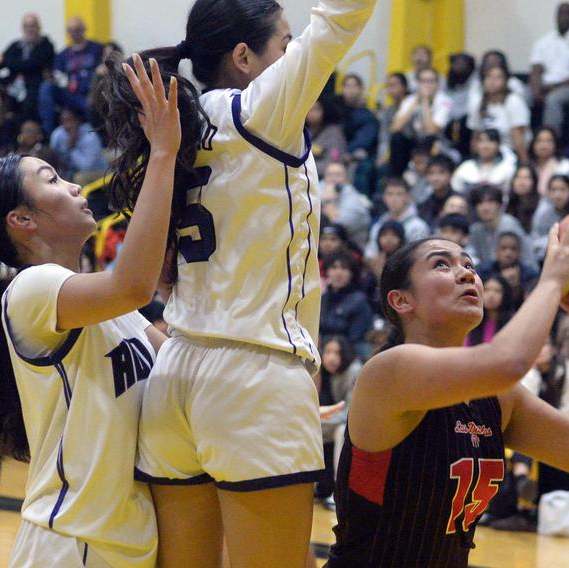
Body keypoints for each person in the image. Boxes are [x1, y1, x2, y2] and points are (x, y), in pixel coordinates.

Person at [99, 2, 377, 566]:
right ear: (244, 57)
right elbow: (341, 20)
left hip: (174, 373)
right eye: (284, 43)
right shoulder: (262, 108)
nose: (291, 54)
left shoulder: (179, 120)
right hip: (254, 374)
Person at [0, 51, 182, 565]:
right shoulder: (31, 290)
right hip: (69, 544)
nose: (76, 185)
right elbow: (134, 283)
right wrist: (162, 152)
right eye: (52, 180)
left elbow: (179, 362)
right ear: (23, 220)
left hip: (128, 544)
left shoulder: (105, 307)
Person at [326, 216, 569, 566]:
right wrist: (552, 280)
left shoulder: (499, 398)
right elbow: (509, 362)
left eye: (469, 264)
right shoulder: (388, 372)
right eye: (442, 264)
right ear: (401, 301)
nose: (467, 273)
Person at [529, 2, 569, 139]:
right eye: (561, 13)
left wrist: (556, 86)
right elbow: (535, 69)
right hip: (545, 85)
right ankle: (526, 141)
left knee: (553, 100)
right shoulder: (544, 41)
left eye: (568, 13)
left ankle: (550, 142)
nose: (564, 17)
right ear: (556, 16)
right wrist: (535, 90)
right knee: (520, 97)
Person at [0, 13, 56, 121]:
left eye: (32, 26)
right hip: (13, 84)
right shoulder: (16, 46)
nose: (29, 30)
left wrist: (5, 61)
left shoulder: (46, 46)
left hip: (33, 86)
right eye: (26, 26)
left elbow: (29, 65)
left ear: (39, 27)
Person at [316, 334, 362, 510]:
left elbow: (350, 413)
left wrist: (318, 420)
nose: (331, 357)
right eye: (327, 352)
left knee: (341, 430)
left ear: (345, 354)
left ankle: (338, 490)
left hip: (355, 426)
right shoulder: (322, 373)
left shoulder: (355, 371)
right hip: (331, 423)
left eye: (336, 352)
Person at [39, 16, 104, 133]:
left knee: (90, 104)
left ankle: (98, 135)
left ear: (84, 29)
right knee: (46, 87)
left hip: (91, 93)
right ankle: (47, 132)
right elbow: (57, 76)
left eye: (78, 29)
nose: (75, 33)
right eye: (71, 30)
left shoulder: (97, 49)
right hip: (70, 94)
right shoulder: (62, 55)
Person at [389, 67, 453, 176]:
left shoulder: (444, 101)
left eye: (431, 81)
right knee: (397, 138)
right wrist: (415, 103)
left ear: (437, 84)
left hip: (437, 145)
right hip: (413, 142)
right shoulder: (410, 100)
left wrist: (425, 101)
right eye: (423, 81)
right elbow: (395, 127)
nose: (427, 85)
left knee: (428, 139)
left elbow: (431, 131)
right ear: (417, 83)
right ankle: (396, 178)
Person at [466, 64, 530, 161]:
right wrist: (474, 160)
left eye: (498, 77)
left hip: (509, 152)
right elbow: (476, 135)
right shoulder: (478, 102)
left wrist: (524, 162)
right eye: (489, 77)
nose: (492, 81)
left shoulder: (513, 101)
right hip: (485, 153)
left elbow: (518, 136)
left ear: (506, 81)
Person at [468, 184, 534, 269]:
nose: (485, 207)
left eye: (490, 202)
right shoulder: (476, 230)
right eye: (480, 203)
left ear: (499, 205)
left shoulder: (509, 225)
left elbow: (526, 261)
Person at [365, 176, 429, 261]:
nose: (394, 199)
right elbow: (369, 255)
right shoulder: (378, 225)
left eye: (399, 194)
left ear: (407, 197)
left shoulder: (418, 226)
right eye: (390, 194)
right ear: (384, 197)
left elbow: (420, 257)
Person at [320, 251, 374, 346]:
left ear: (351, 273)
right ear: (327, 271)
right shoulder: (322, 299)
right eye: (334, 267)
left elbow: (356, 338)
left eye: (344, 268)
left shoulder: (359, 301)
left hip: (349, 354)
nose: (338, 273)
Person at [48, 108, 107, 183]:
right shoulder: (58, 134)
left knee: (79, 178)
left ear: (78, 121)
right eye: (63, 121)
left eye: (70, 121)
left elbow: (86, 167)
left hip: (98, 172)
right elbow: (53, 156)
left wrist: (72, 149)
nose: (66, 125)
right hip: (70, 171)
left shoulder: (90, 137)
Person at [451, 129, 517, 194]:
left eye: (490, 141)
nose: (485, 146)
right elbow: (456, 191)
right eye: (481, 141)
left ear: (499, 145)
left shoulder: (508, 168)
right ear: (476, 145)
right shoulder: (465, 167)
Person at [529, 126, 569, 197]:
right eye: (539, 140)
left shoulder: (566, 165)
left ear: (555, 144)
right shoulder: (528, 167)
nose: (544, 145)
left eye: (549, 141)